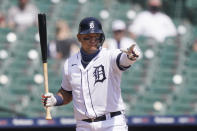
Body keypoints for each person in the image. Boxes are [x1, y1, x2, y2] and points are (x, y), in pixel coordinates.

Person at [42, 17, 141, 131]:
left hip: (112, 123)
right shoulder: (70, 63)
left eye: (96, 36)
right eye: (88, 37)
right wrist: (55, 99)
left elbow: (122, 59)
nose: (92, 40)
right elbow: (67, 92)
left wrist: (130, 57)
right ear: (79, 38)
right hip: (84, 125)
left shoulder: (109, 56)